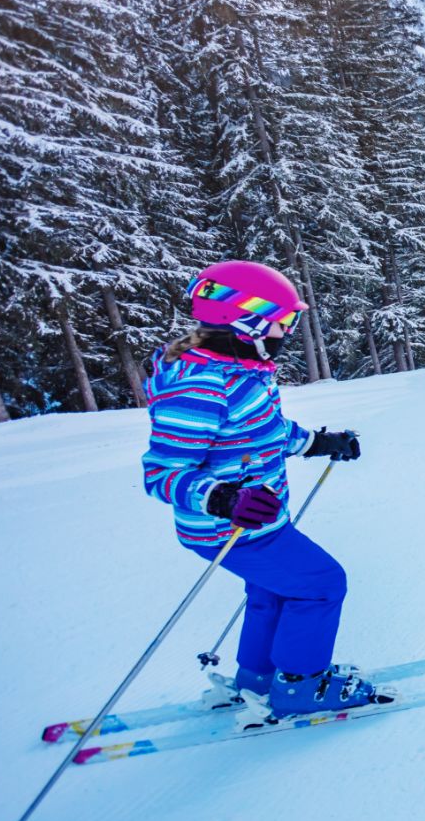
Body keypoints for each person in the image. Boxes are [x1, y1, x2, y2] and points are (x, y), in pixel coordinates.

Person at [141, 261, 383, 716]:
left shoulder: (241, 369)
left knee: (272, 591)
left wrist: (318, 442)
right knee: (321, 584)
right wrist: (224, 498)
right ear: (245, 319)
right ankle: (301, 687)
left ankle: (259, 678)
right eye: (283, 321)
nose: (288, 331)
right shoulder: (199, 385)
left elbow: (263, 430)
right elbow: (162, 472)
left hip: (258, 521)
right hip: (227, 528)